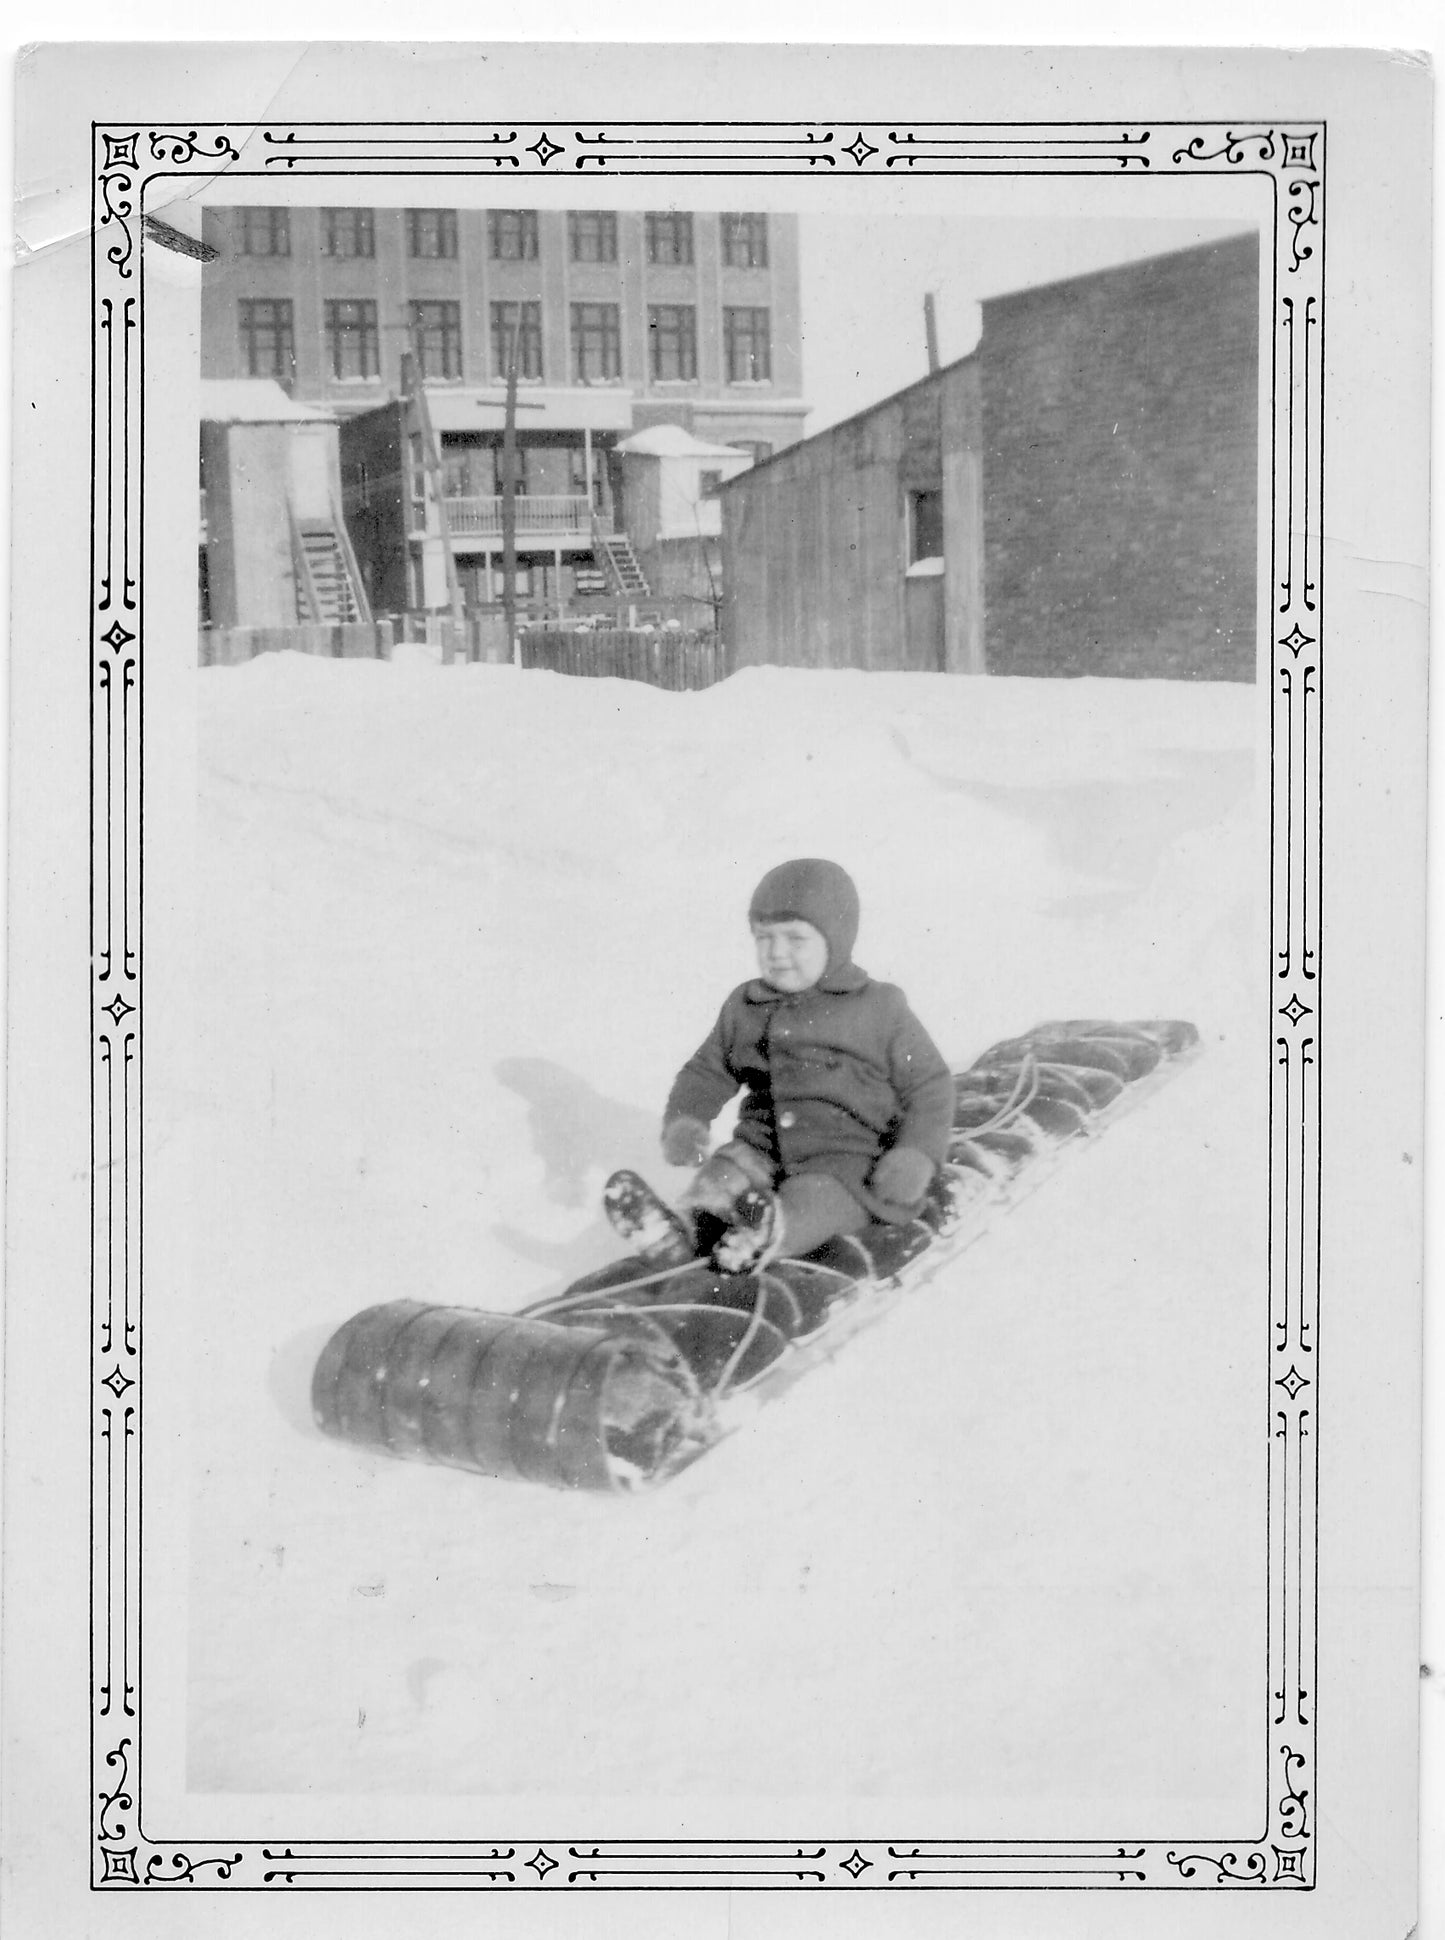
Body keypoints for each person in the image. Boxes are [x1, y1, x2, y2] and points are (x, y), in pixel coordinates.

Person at [661, 858, 955, 1272]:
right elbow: (708, 1070)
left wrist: (917, 1154)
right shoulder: (747, 1005)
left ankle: (768, 1233)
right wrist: (685, 1120)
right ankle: (687, 1226)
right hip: (761, 1149)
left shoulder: (879, 1007)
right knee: (725, 1173)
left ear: (836, 939)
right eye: (764, 938)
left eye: (795, 939)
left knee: (814, 1200)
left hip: (846, 1164)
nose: (776, 954)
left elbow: (930, 1086)